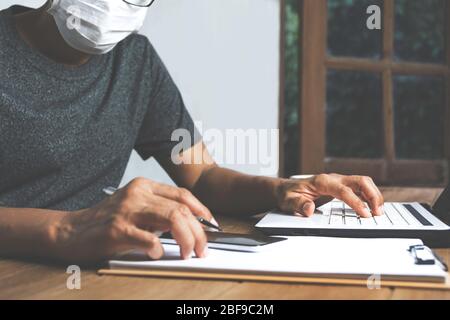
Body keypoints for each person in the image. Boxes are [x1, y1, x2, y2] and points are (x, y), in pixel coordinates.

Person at [0, 0, 384, 264]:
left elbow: (200, 175)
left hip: (93, 271)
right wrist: (68, 230)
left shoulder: (135, 61)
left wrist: (282, 189)